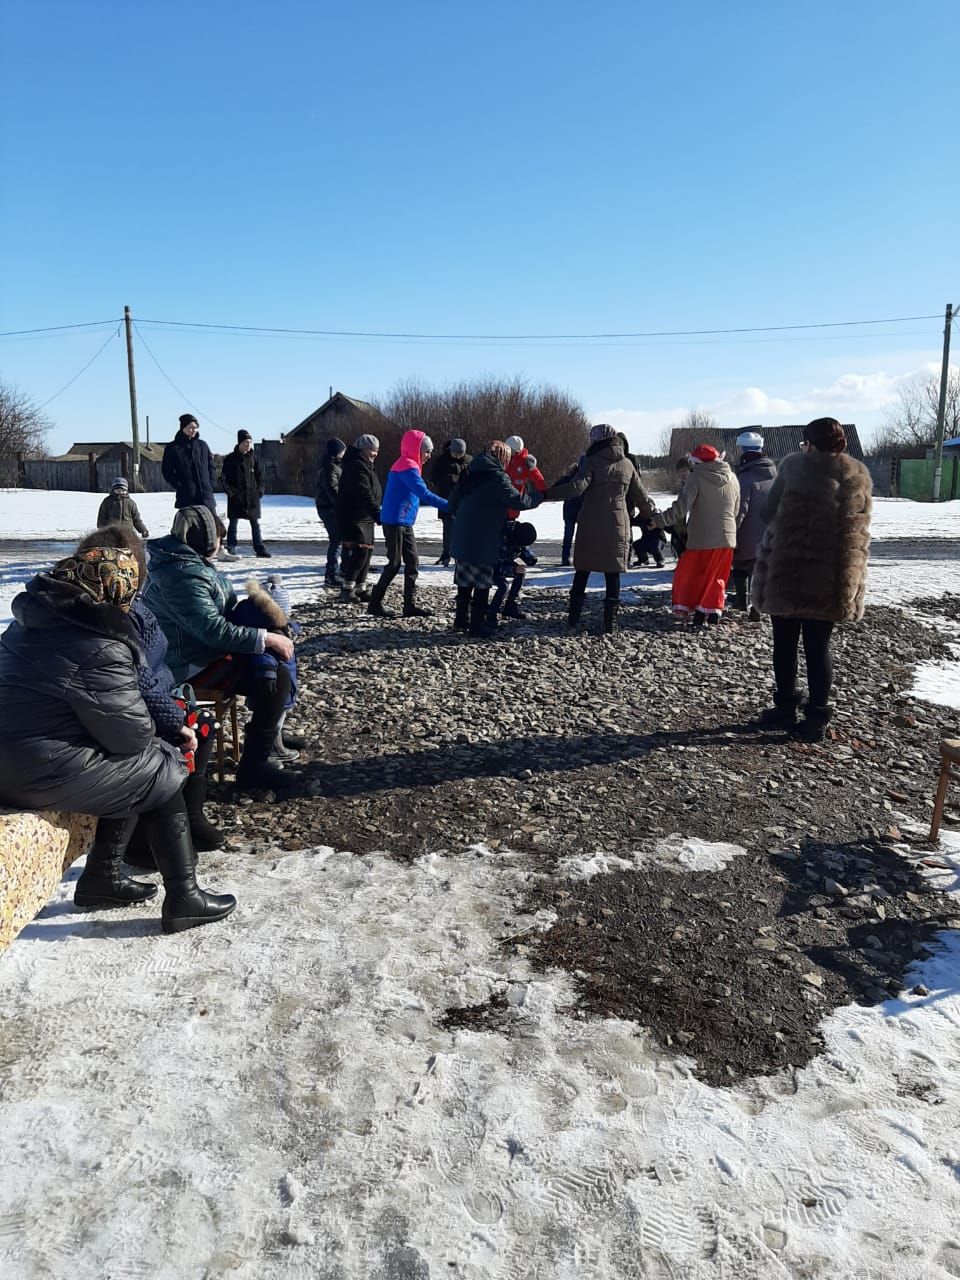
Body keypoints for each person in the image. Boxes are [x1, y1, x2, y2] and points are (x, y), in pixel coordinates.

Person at [0, 543, 235, 933]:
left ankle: (102, 878)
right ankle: (184, 896)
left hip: (10, 759)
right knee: (160, 762)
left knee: (129, 762)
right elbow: (131, 735)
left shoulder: (27, 624)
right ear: (116, 594)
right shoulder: (99, 644)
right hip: (33, 771)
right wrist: (176, 730)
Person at [76, 523, 223, 854]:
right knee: (175, 742)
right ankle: (154, 835)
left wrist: (174, 701)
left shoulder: (135, 607)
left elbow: (153, 668)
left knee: (203, 725)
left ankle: (191, 814)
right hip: (134, 708)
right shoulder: (110, 617)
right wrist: (174, 718)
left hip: (154, 696)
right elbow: (137, 681)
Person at [143, 505, 296, 792]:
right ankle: (254, 769)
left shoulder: (181, 560)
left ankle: (269, 738)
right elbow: (212, 631)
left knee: (270, 664)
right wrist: (266, 637)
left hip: (199, 651)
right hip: (187, 663)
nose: (220, 545)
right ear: (204, 539)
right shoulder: (182, 575)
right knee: (273, 680)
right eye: (218, 540)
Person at [753, 417, 872, 742]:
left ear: (809, 442)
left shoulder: (792, 467)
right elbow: (858, 527)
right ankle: (817, 717)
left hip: (787, 570)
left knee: (785, 642)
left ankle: (786, 707)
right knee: (818, 647)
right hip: (829, 576)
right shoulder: (856, 475)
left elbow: (767, 512)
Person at [545, 424, 655, 634]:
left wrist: (547, 493)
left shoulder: (591, 461)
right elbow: (641, 496)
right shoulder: (627, 464)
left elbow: (576, 488)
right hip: (618, 523)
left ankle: (573, 618)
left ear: (596, 441)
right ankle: (610, 622)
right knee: (612, 573)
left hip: (591, 522)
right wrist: (651, 518)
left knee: (583, 570)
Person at [449, 441, 542, 636]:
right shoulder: (497, 477)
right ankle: (477, 626)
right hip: (484, 538)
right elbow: (517, 500)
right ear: (502, 457)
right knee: (482, 583)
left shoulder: (469, 471)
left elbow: (452, 504)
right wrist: (538, 496)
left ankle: (460, 621)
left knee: (464, 581)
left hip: (462, 535)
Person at [652, 444, 740, 627]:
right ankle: (712, 612)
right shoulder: (732, 477)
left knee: (692, 574)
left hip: (702, 537)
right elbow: (736, 509)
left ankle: (695, 610)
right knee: (717, 576)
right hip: (727, 537)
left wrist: (660, 520)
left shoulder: (696, 477)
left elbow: (681, 507)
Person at [367, 430, 448, 619]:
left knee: (412, 561)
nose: (428, 456)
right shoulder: (407, 467)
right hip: (395, 521)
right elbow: (424, 493)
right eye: (426, 451)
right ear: (417, 449)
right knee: (394, 563)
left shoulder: (411, 465)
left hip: (404, 521)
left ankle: (409, 605)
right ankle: (375, 603)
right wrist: (449, 505)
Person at [230, 576, 300, 764]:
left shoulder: (261, 625)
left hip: (276, 684)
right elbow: (264, 658)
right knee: (272, 717)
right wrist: (267, 676)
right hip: (273, 687)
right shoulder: (269, 632)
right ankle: (273, 748)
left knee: (273, 717)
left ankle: (274, 739)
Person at [731, 431, 777, 619]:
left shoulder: (745, 478)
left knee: (742, 567)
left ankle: (743, 602)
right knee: (761, 570)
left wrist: (731, 531)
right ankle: (758, 606)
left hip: (747, 533)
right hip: (769, 532)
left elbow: (740, 509)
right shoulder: (775, 475)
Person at [336, 435, 382, 603]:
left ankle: (360, 587)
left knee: (368, 551)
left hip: (366, 515)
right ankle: (347, 588)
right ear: (362, 449)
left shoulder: (366, 464)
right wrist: (377, 513)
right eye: (372, 450)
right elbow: (363, 492)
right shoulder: (356, 465)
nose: (375, 453)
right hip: (354, 514)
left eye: (377, 450)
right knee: (360, 551)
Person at [221, 430, 268, 558]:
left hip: (252, 497)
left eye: (249, 442)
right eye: (245, 442)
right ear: (240, 443)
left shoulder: (254, 458)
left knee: (255, 524)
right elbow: (224, 478)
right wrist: (231, 493)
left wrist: (260, 491)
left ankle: (259, 547)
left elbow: (260, 477)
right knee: (233, 523)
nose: (248, 445)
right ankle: (231, 547)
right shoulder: (230, 459)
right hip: (236, 497)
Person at [504, 435, 546, 563]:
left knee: (510, 531)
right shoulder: (504, 458)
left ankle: (522, 551)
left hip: (514, 504)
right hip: (499, 502)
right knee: (501, 531)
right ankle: (510, 554)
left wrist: (542, 494)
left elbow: (538, 479)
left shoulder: (526, 463)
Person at [430, 438, 471, 566]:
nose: (458, 455)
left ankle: (464, 554)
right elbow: (434, 479)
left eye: (461, 453)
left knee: (465, 529)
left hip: (464, 501)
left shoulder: (469, 460)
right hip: (447, 499)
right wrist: (450, 479)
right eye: (456, 453)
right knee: (448, 529)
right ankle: (446, 554)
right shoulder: (442, 461)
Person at [488, 520, 538, 626]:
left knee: (521, 572)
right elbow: (496, 566)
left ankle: (510, 606)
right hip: (488, 565)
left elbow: (523, 549)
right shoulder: (500, 538)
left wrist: (530, 558)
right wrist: (513, 570)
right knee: (503, 586)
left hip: (504, 562)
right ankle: (491, 613)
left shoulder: (518, 533)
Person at [315, 437, 346, 586]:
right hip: (329, 508)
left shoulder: (332, 466)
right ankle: (331, 574)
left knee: (340, 539)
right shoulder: (330, 467)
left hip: (329, 507)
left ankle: (341, 570)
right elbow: (332, 489)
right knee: (337, 540)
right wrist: (340, 504)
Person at [556, 457, 584, 566]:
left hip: (570, 510)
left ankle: (565, 557)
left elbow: (557, 486)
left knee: (568, 535)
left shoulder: (569, 477)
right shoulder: (586, 477)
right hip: (580, 510)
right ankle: (579, 557)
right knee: (581, 536)